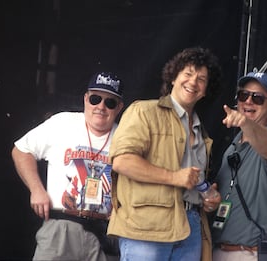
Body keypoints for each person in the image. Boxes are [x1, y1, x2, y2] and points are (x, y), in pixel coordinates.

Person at [106, 47, 222, 261]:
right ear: (173, 78)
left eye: (201, 79)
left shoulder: (201, 131)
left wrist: (207, 200)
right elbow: (122, 162)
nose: (193, 82)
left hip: (191, 226)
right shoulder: (144, 111)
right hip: (147, 227)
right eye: (187, 74)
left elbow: (194, 181)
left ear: (205, 90)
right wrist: (174, 177)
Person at [11, 71, 124, 261]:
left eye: (110, 102)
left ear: (119, 107)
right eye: (95, 99)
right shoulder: (63, 122)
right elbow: (21, 150)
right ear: (86, 99)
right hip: (61, 227)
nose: (101, 107)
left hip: (104, 233)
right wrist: (36, 190)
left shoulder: (126, 135)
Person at [211, 72, 267, 261]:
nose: (248, 101)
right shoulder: (233, 146)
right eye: (243, 95)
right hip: (220, 250)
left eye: (257, 98)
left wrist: (245, 123)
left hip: (256, 253)